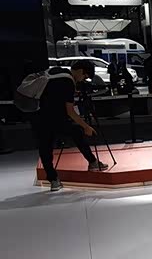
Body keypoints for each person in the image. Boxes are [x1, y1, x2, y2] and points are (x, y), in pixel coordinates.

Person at [32, 60, 108, 191]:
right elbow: (70, 111)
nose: (83, 80)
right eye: (85, 76)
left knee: (45, 147)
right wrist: (86, 126)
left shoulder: (54, 72)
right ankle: (93, 162)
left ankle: (53, 180)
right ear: (80, 71)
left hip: (37, 116)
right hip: (56, 119)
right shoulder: (68, 82)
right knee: (77, 132)